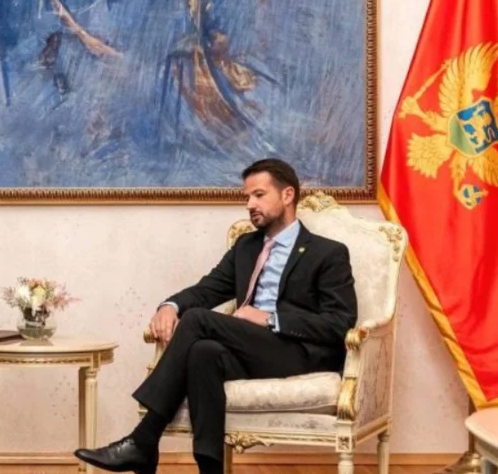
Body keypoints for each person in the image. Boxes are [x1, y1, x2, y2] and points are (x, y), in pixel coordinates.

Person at [74, 159, 357, 474]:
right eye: (247, 197)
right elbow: (207, 289)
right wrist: (170, 306)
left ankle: (143, 439)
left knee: (197, 320)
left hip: (299, 353)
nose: (249, 205)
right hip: (253, 350)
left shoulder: (327, 253)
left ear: (287, 195)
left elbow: (340, 323)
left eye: (259, 195)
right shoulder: (246, 246)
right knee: (202, 352)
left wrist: (269, 318)